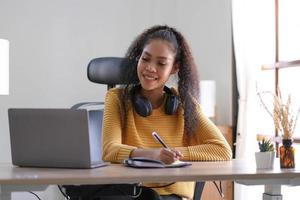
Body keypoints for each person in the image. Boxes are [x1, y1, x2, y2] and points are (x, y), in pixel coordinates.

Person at [102, 25, 232, 200]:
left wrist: (173, 154)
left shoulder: (185, 103)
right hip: (132, 193)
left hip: (171, 195)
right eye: (145, 59)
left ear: (174, 68)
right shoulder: (116, 98)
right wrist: (153, 155)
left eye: (161, 63)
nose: (150, 68)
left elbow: (222, 150)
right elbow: (110, 150)